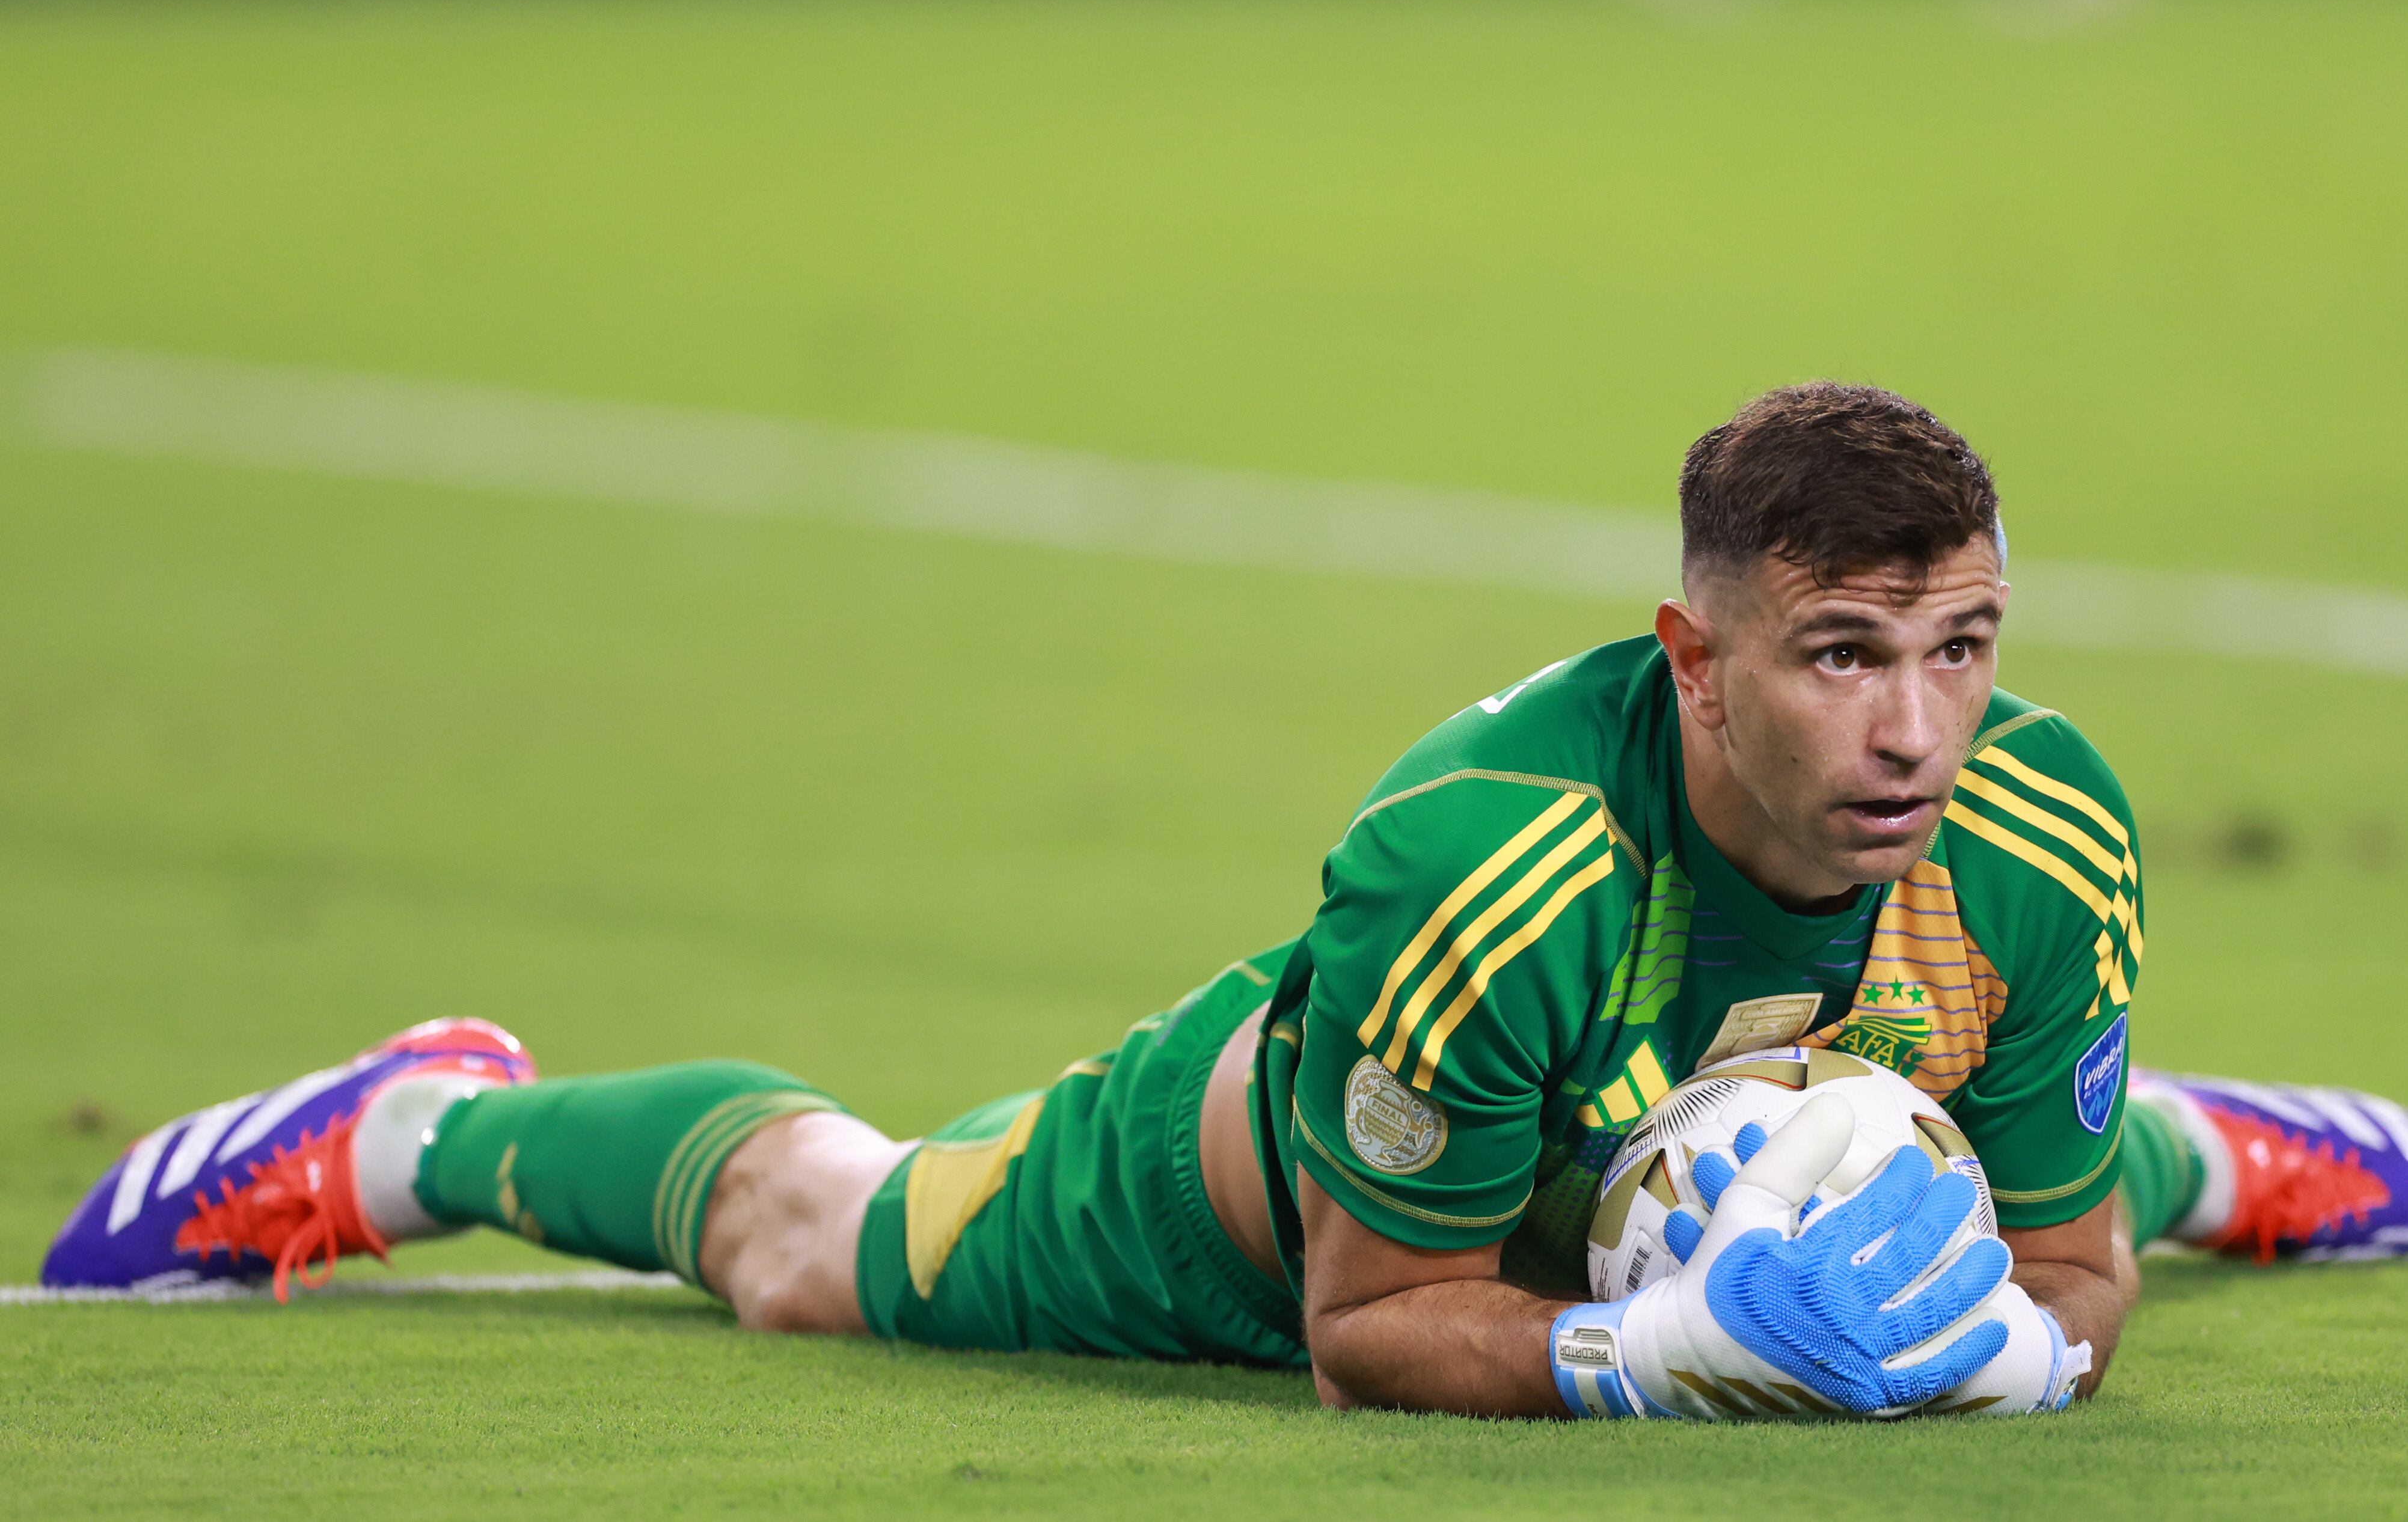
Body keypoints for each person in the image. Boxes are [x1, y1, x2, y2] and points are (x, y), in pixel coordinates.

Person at [43, 383, 2407, 1422]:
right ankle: (428, 1126)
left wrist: (2006, 1343)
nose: (1916, 728)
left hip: (1747, 1094)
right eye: (1841, 657)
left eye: (1960, 652)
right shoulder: (1488, 865)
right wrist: (1631, 1358)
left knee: (1959, 1102)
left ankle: (2230, 1137)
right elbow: (1375, 1325)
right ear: (1699, 658)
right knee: (806, 1244)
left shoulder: (2039, 832)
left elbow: (2072, 1277)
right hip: (1270, 1200)